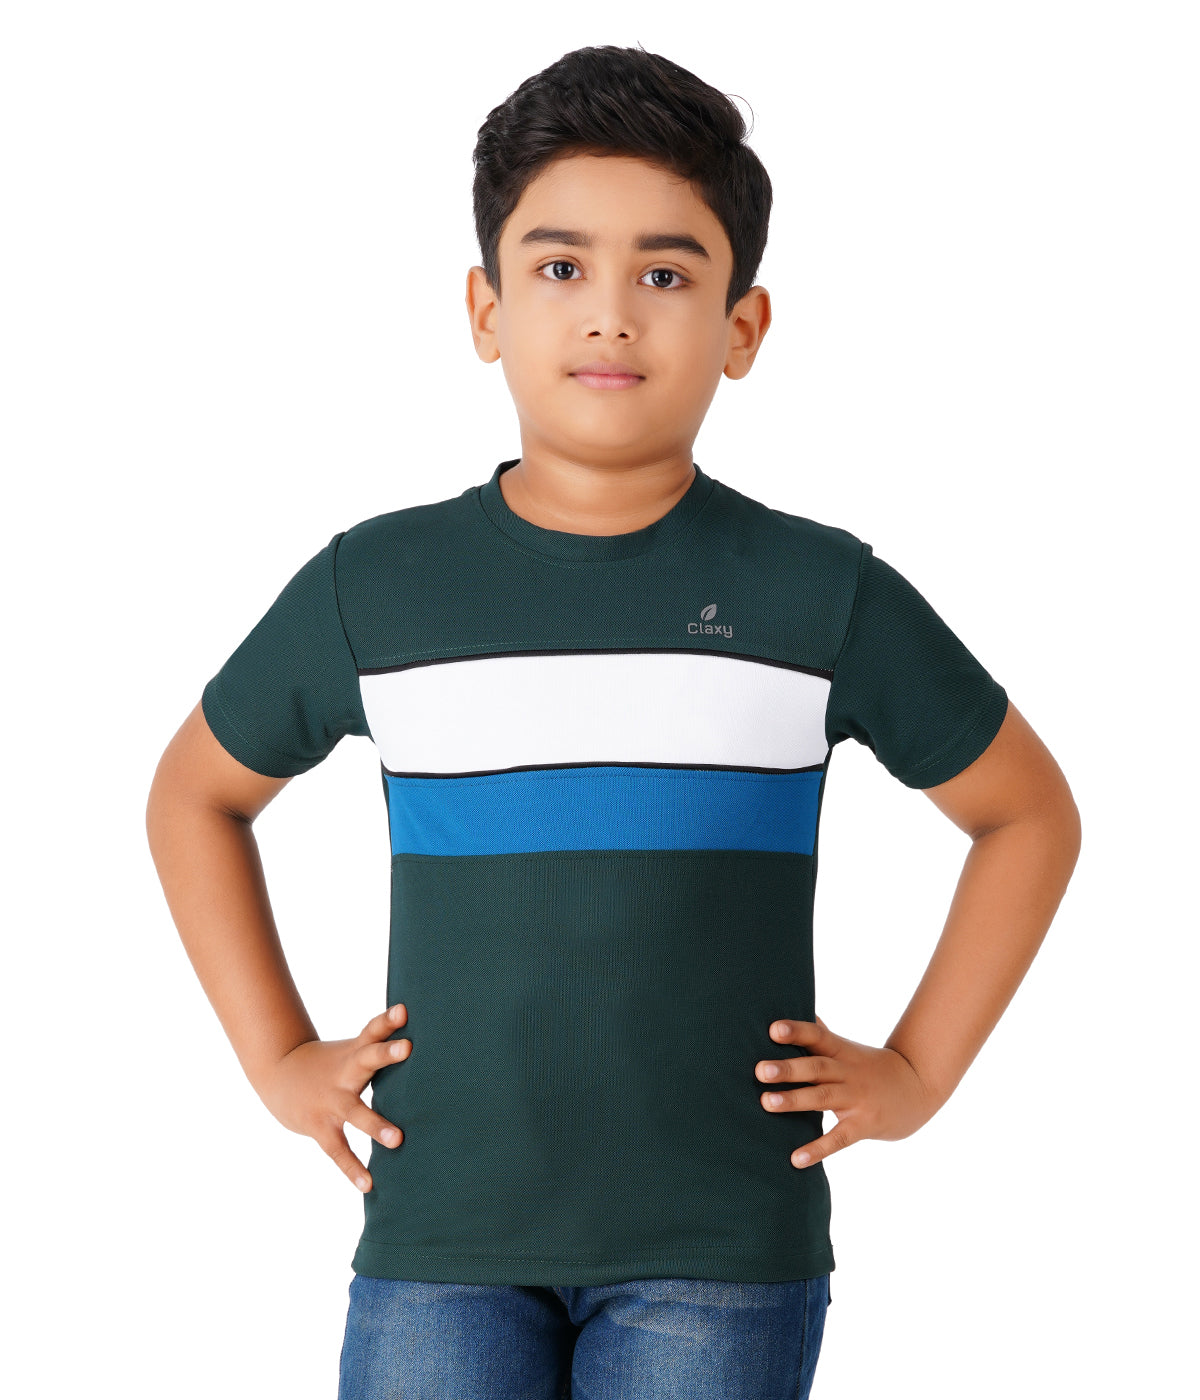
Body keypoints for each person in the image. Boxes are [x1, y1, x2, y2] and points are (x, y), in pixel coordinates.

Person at [145, 43, 1082, 1400]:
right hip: (442, 1238)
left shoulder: (820, 594)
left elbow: (1028, 813)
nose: (608, 316)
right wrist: (278, 1057)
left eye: (665, 275)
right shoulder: (376, 586)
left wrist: (921, 1070)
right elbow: (194, 794)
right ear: (486, 308)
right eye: (560, 267)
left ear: (742, 329)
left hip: (722, 1250)